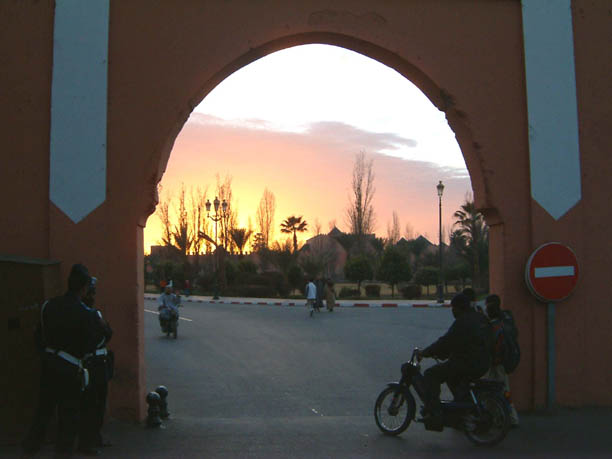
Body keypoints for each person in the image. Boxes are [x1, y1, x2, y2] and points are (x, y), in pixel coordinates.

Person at [22, 264, 107, 456]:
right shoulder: (87, 314)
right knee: (68, 421)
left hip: (49, 365)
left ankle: (28, 451)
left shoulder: (49, 305)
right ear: (85, 287)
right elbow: (95, 343)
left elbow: (38, 336)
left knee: (42, 415)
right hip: (70, 370)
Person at [416, 293, 491, 425]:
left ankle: (434, 412)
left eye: (453, 308)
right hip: (483, 362)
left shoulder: (462, 322)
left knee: (431, 374)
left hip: (467, 362)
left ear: (458, 308)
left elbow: (446, 342)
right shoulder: (480, 318)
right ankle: (458, 412)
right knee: (451, 376)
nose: (452, 311)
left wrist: (425, 352)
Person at [78, 277, 114, 454]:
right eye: (92, 291)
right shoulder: (91, 314)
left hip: (91, 363)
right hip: (93, 364)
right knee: (93, 404)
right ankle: (87, 442)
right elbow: (107, 333)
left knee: (95, 403)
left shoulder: (86, 312)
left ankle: (94, 437)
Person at [484, 294, 520, 427]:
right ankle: (510, 417)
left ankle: (500, 417)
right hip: (503, 364)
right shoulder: (506, 320)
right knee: (505, 390)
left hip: (495, 364)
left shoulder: (493, 326)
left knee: (490, 391)